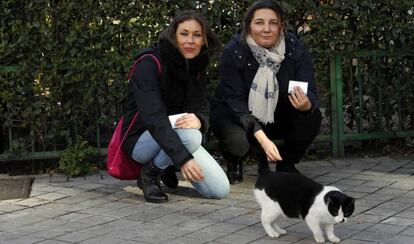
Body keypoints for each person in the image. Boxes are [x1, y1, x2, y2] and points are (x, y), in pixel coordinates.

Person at [121, 10, 230, 203]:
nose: (190, 40)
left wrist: (199, 119)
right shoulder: (149, 63)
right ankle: (149, 173)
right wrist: (184, 159)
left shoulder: (197, 66)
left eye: (197, 35)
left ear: (204, 40)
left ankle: (165, 165)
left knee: (219, 190)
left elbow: (203, 107)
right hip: (143, 139)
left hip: (180, 137)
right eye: (184, 34)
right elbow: (153, 118)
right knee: (191, 135)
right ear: (173, 36)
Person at [210, 0, 322, 184]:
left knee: (311, 116)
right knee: (238, 142)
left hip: (277, 113)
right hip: (237, 115)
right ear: (248, 26)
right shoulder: (234, 51)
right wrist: (262, 138)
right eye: (259, 22)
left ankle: (286, 164)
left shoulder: (295, 49)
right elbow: (236, 103)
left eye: (273, 23)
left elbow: (309, 90)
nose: (266, 29)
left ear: (281, 27)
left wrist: (306, 104)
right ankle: (234, 160)